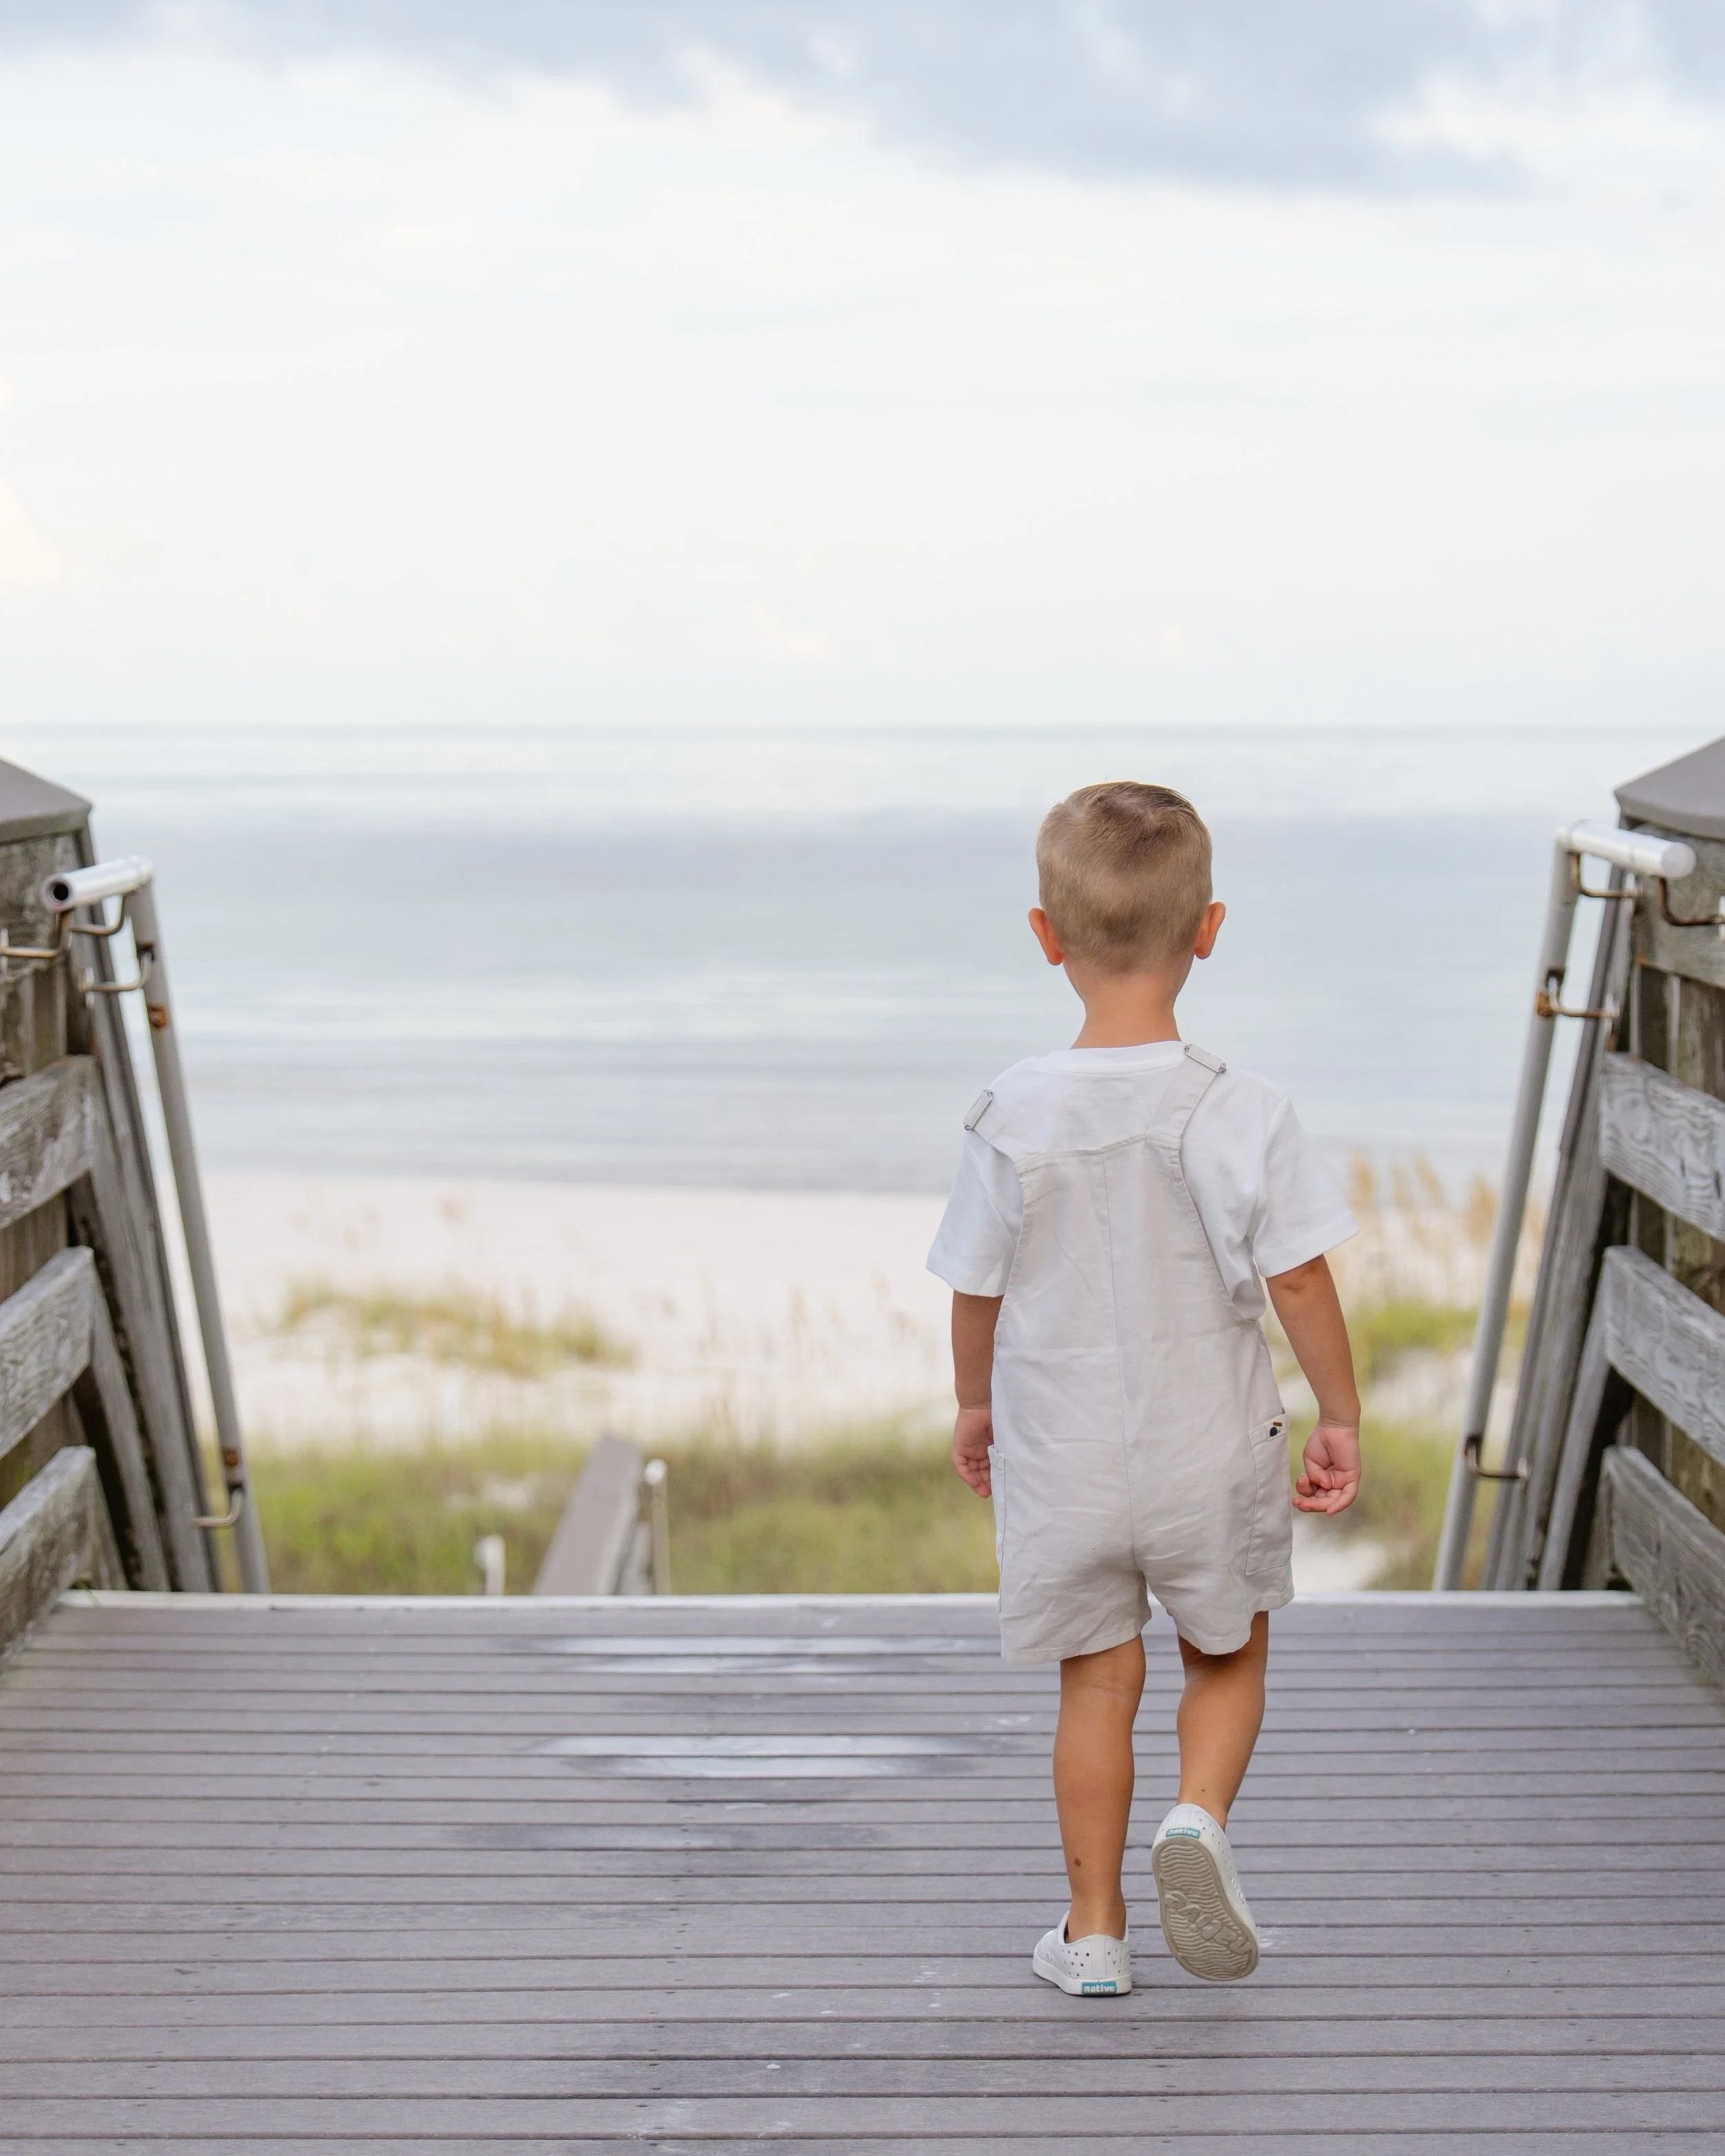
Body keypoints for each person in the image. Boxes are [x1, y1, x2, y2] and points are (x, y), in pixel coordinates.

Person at [927, 781, 1362, 1995]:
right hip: (1207, 1449)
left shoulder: (1009, 1111)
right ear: (1208, 929)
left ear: (1045, 934)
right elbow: (1303, 1281)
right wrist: (1340, 1414)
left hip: (1063, 1453)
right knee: (1225, 1654)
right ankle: (1198, 1818)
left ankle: (1095, 1931)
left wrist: (975, 1405)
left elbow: (975, 1284)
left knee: (1097, 1680)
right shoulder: (1244, 1109)